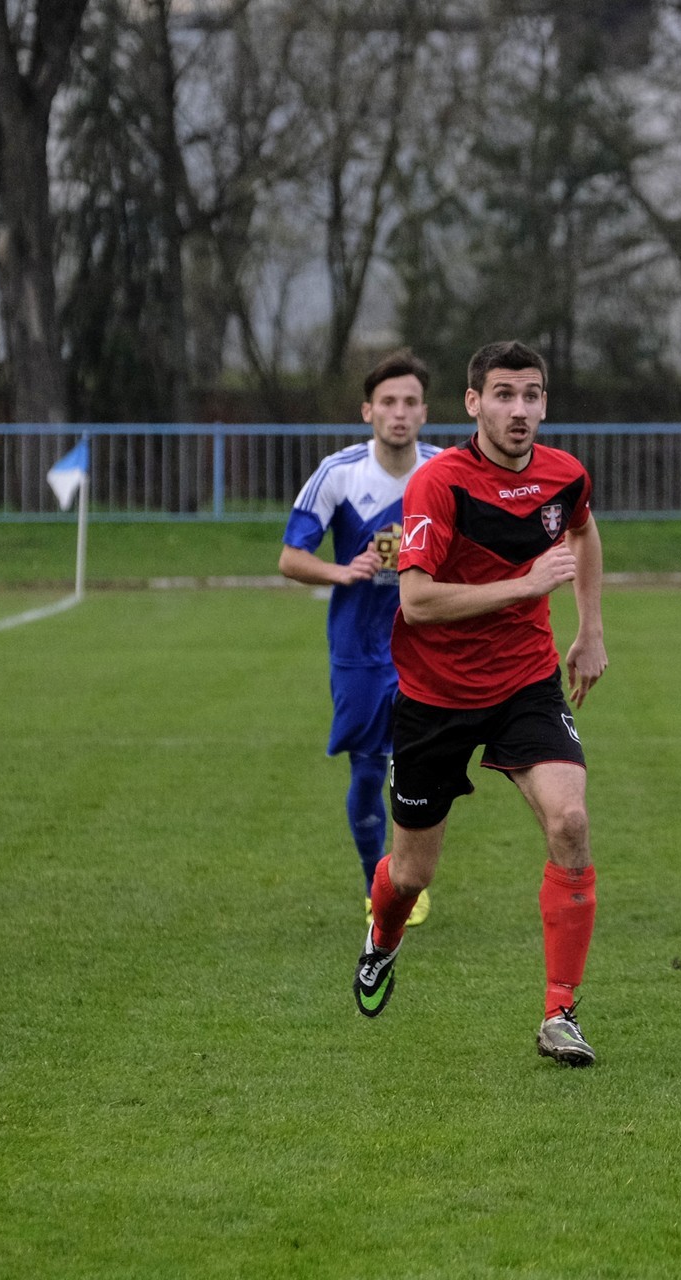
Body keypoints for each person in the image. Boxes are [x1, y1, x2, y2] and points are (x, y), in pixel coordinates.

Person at [351, 341, 609, 1072]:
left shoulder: (565, 475)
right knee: (412, 875)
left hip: (525, 684)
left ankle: (560, 1012)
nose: (518, 410)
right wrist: (525, 585)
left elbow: (584, 530)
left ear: (545, 404)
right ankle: (383, 939)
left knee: (570, 820)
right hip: (434, 696)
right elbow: (417, 600)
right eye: (503, 395)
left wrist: (590, 629)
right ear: (473, 403)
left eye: (531, 396)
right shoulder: (438, 483)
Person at [280, 350, 442, 924]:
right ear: (368, 410)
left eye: (410, 402)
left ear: (424, 412)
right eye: (388, 402)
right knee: (370, 769)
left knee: (426, 769)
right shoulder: (339, 472)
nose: (399, 413)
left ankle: (410, 873)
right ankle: (381, 885)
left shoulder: (444, 470)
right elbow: (290, 557)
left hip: (429, 643)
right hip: (360, 648)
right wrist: (342, 571)